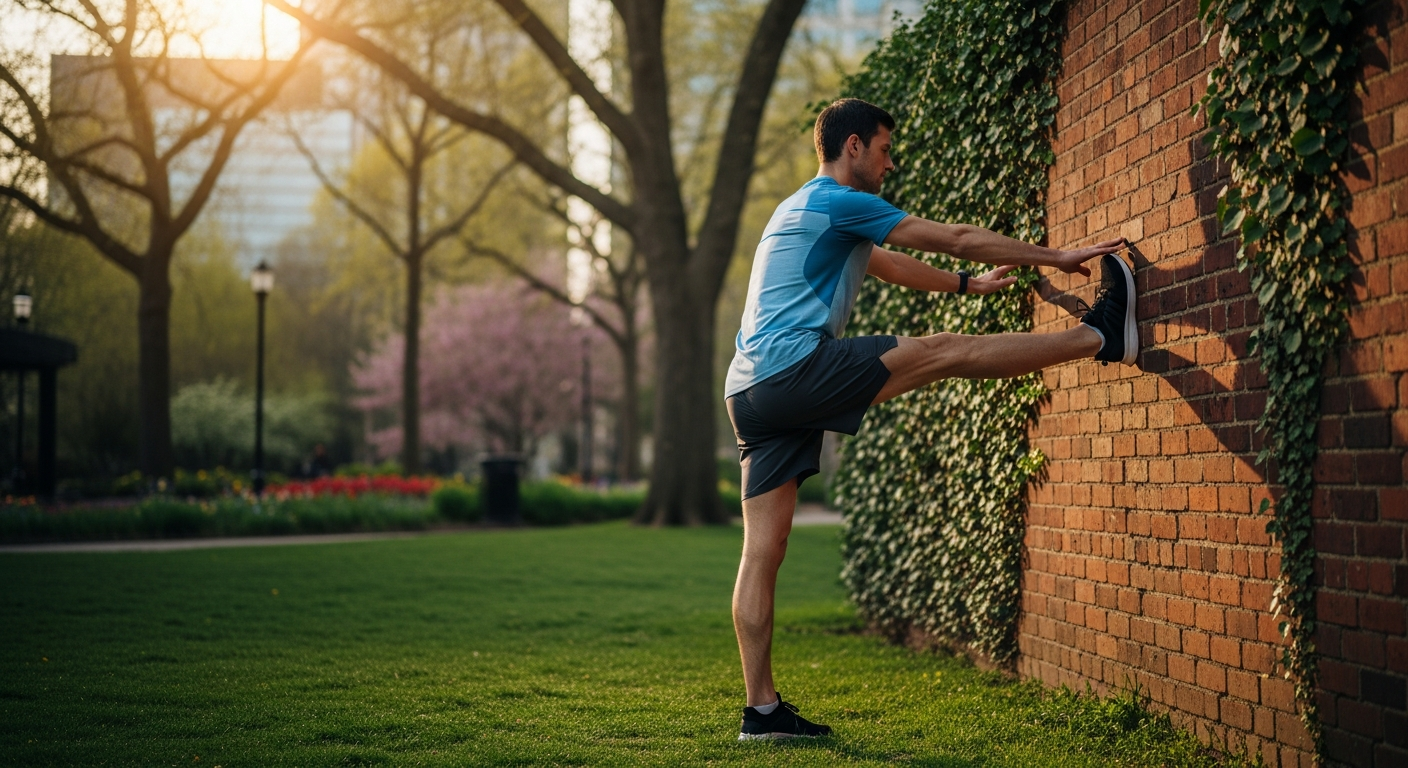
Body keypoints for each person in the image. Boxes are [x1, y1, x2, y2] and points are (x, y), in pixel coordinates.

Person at [726, 98, 1137, 741]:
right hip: (791, 368)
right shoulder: (840, 200)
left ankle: (762, 713)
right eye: (886, 150)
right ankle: (1102, 336)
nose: (892, 164)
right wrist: (1054, 257)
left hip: (749, 392)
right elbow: (956, 238)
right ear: (853, 146)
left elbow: (889, 264)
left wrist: (967, 287)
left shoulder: (798, 207)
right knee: (944, 352)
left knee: (762, 551)